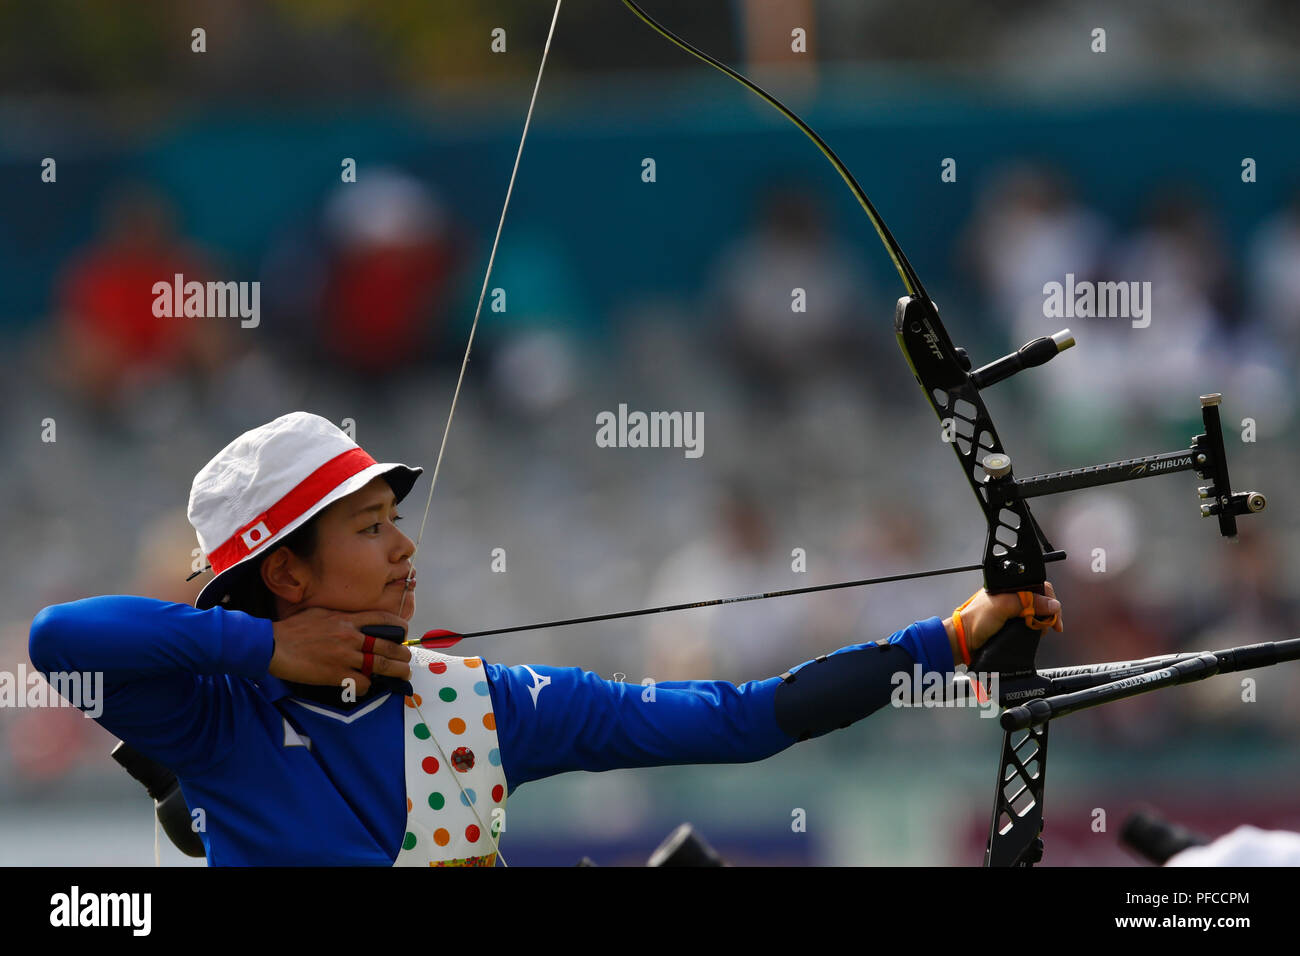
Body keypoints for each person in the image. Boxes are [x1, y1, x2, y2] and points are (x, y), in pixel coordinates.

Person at [28, 412, 1062, 866]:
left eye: (395, 519)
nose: (403, 547)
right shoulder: (216, 718)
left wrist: (951, 637)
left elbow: (746, 719)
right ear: (287, 571)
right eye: (368, 526)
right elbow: (59, 634)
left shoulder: (484, 704)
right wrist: (267, 653)